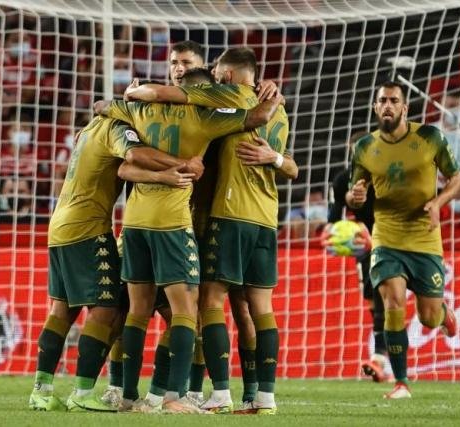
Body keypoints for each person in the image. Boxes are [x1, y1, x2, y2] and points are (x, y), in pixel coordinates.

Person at [94, 66, 284, 414]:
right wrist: (275, 95)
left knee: (136, 311)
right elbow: (257, 117)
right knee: (187, 310)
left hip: (134, 223)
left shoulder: (139, 110)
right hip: (172, 224)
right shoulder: (205, 120)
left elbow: (101, 106)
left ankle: (127, 395)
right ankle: (170, 398)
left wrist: (131, 96)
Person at [27, 115, 201, 412]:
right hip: (88, 227)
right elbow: (132, 156)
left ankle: (41, 391)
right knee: (107, 310)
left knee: (62, 309)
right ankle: (83, 394)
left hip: (60, 225)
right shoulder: (117, 129)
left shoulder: (88, 128)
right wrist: (179, 166)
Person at [99, 40, 211, 411]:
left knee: (169, 313)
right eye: (175, 62)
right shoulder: (143, 105)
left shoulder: (209, 107)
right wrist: (176, 167)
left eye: (187, 63)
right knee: (141, 310)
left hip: (182, 223)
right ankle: (129, 390)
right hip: (153, 224)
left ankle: (159, 392)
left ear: (201, 68)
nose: (179, 68)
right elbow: (122, 156)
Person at [346, 81, 460, 399]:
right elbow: (355, 194)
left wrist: (438, 202)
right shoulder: (365, 148)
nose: (387, 105)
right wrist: (355, 195)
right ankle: (401, 383)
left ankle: (443, 314)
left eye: (393, 100)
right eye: (382, 100)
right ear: (375, 107)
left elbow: (457, 179)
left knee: (427, 317)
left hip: (425, 241)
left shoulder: (429, 137)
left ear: (404, 108)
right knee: (393, 302)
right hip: (386, 239)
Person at [325, 131, 389, 382]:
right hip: (367, 243)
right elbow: (333, 220)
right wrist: (338, 237)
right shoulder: (342, 180)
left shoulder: (389, 178)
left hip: (399, 239)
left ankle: (383, 357)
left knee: (419, 306)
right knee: (376, 300)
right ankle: (382, 359)